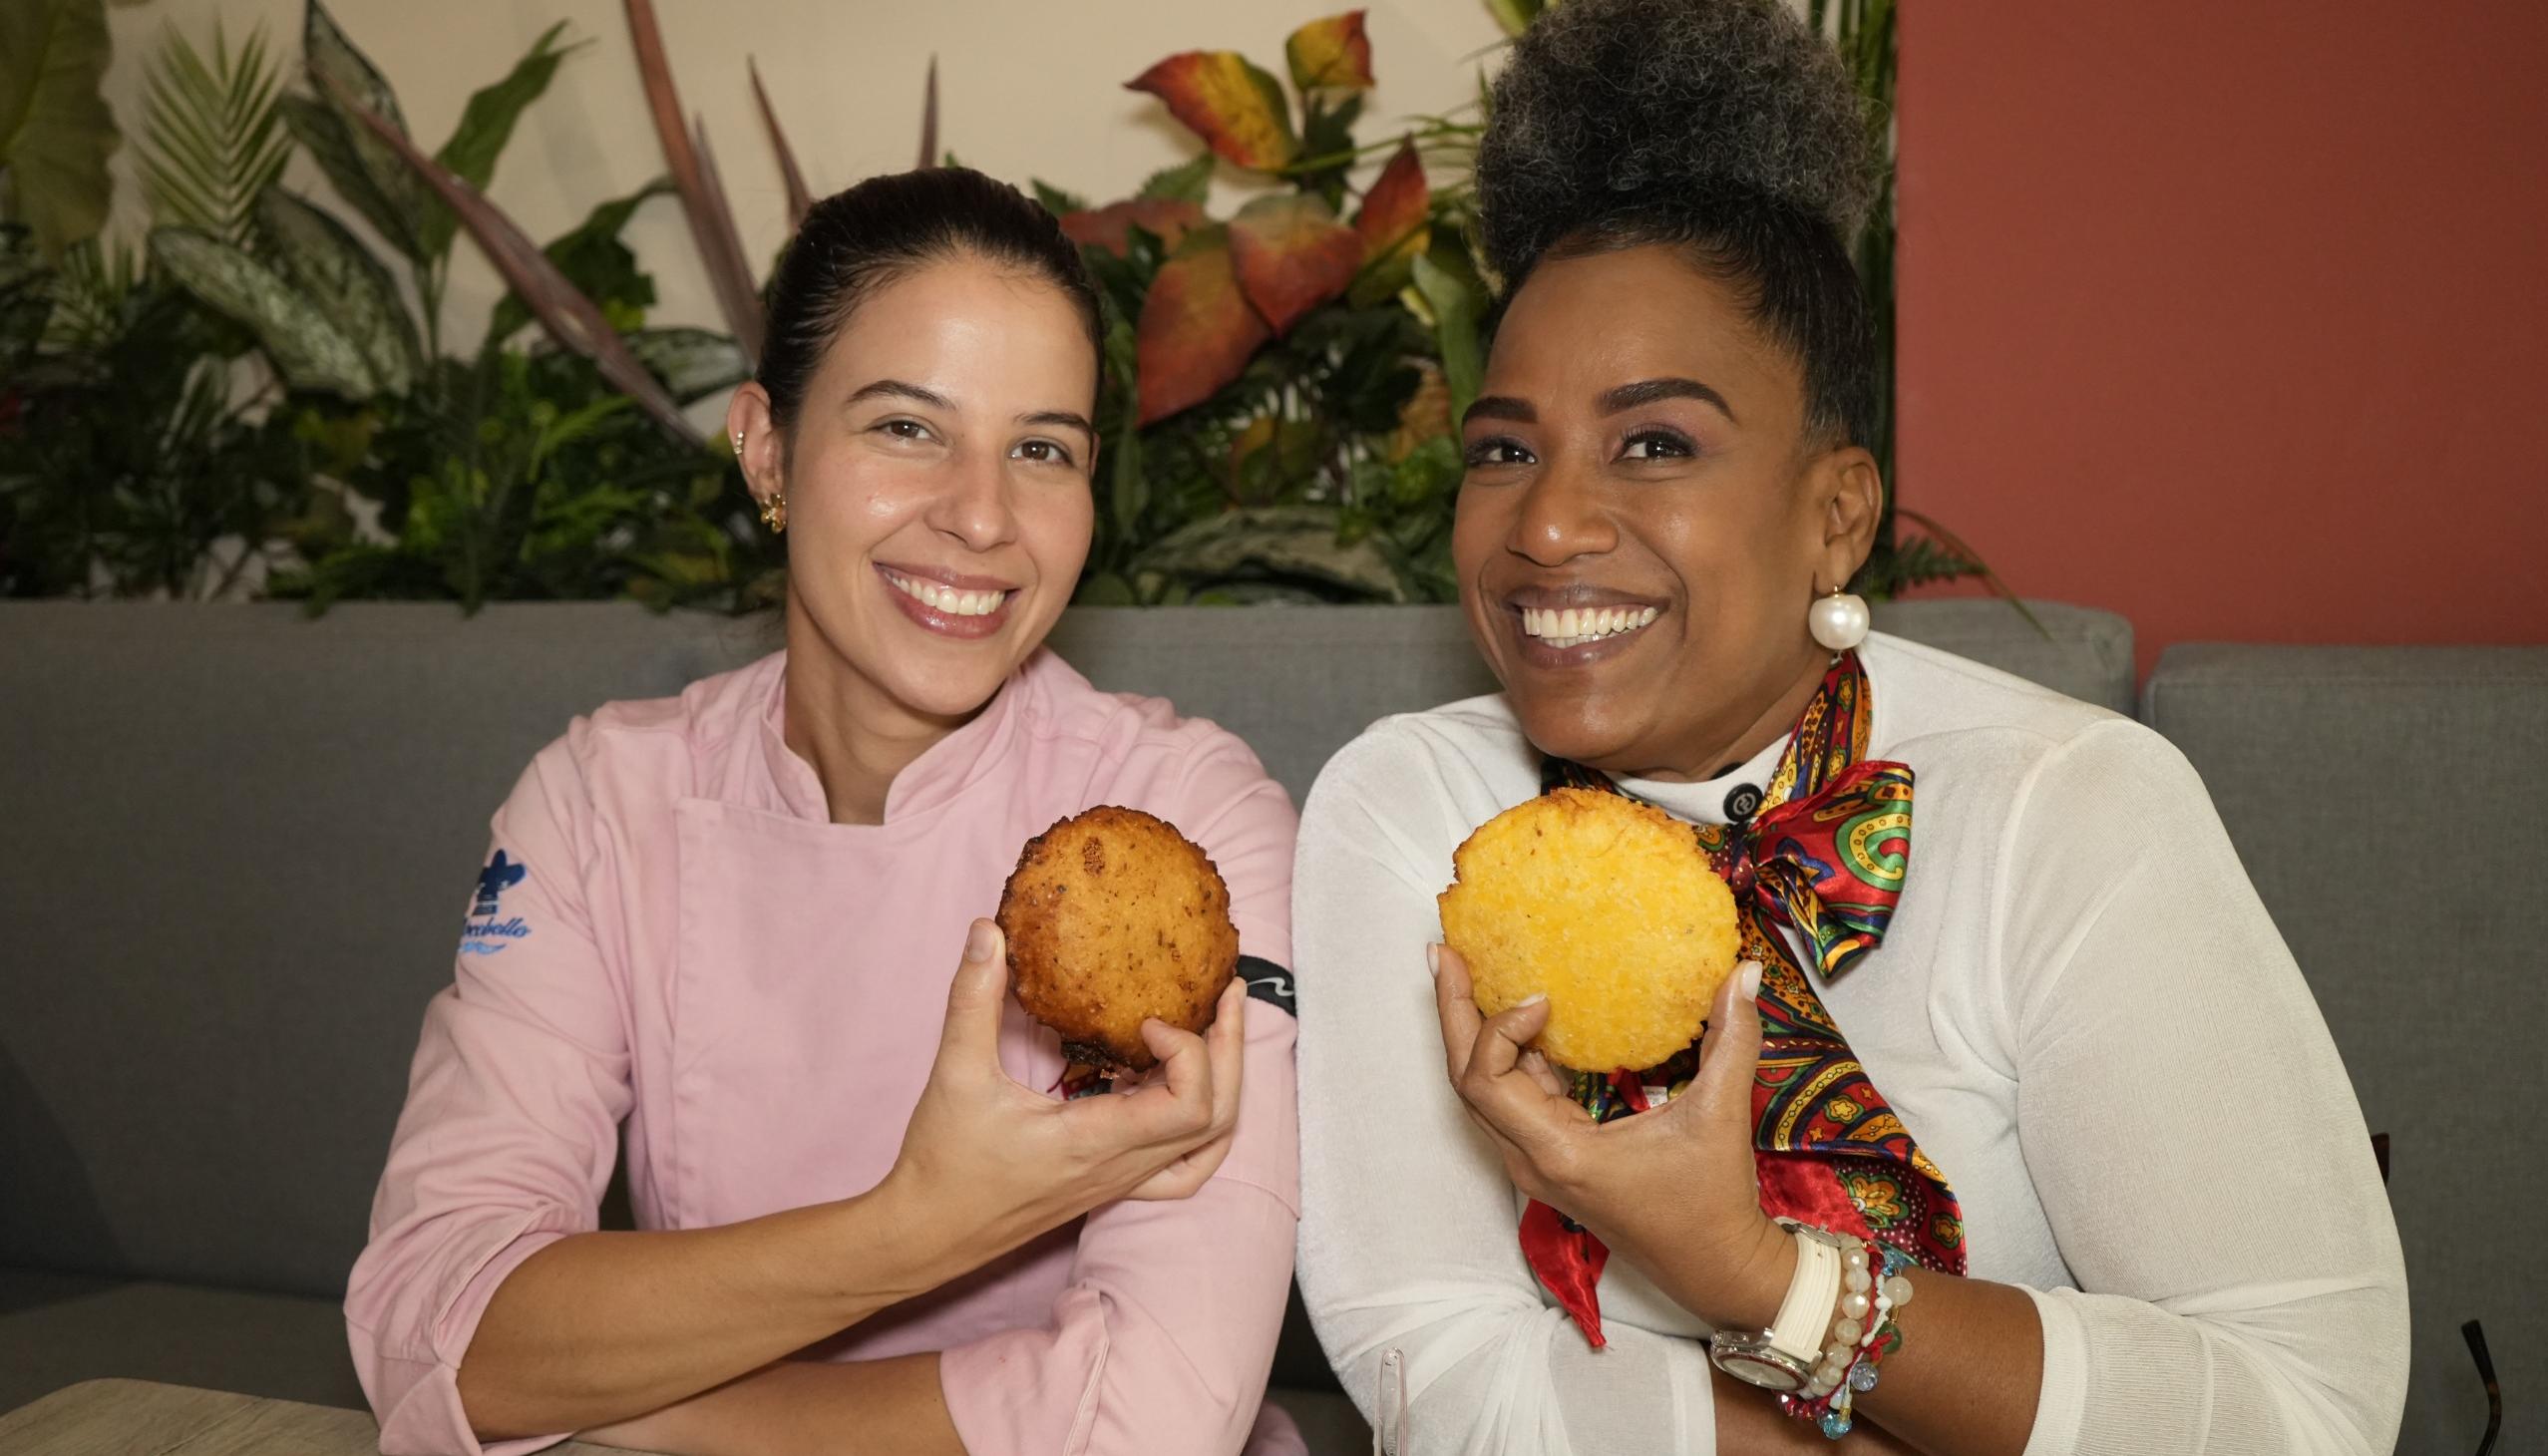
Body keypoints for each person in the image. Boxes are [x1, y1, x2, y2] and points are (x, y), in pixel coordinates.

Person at [1289, 2, 2408, 1452]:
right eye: (1506, 447)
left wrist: (1760, 1282)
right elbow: (1428, 1379)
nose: (1549, 521)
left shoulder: (2066, 808)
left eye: (1656, 442)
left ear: (1839, 516)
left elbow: (2308, 1409)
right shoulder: (1408, 814)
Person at [345, 168, 1303, 1456]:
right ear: (766, 450)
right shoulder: (597, 806)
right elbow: (430, 1323)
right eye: (908, 428)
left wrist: (632, 1416)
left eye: (1043, 450)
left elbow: (1150, 1419)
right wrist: (913, 1228)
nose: (980, 516)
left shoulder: (1192, 822)